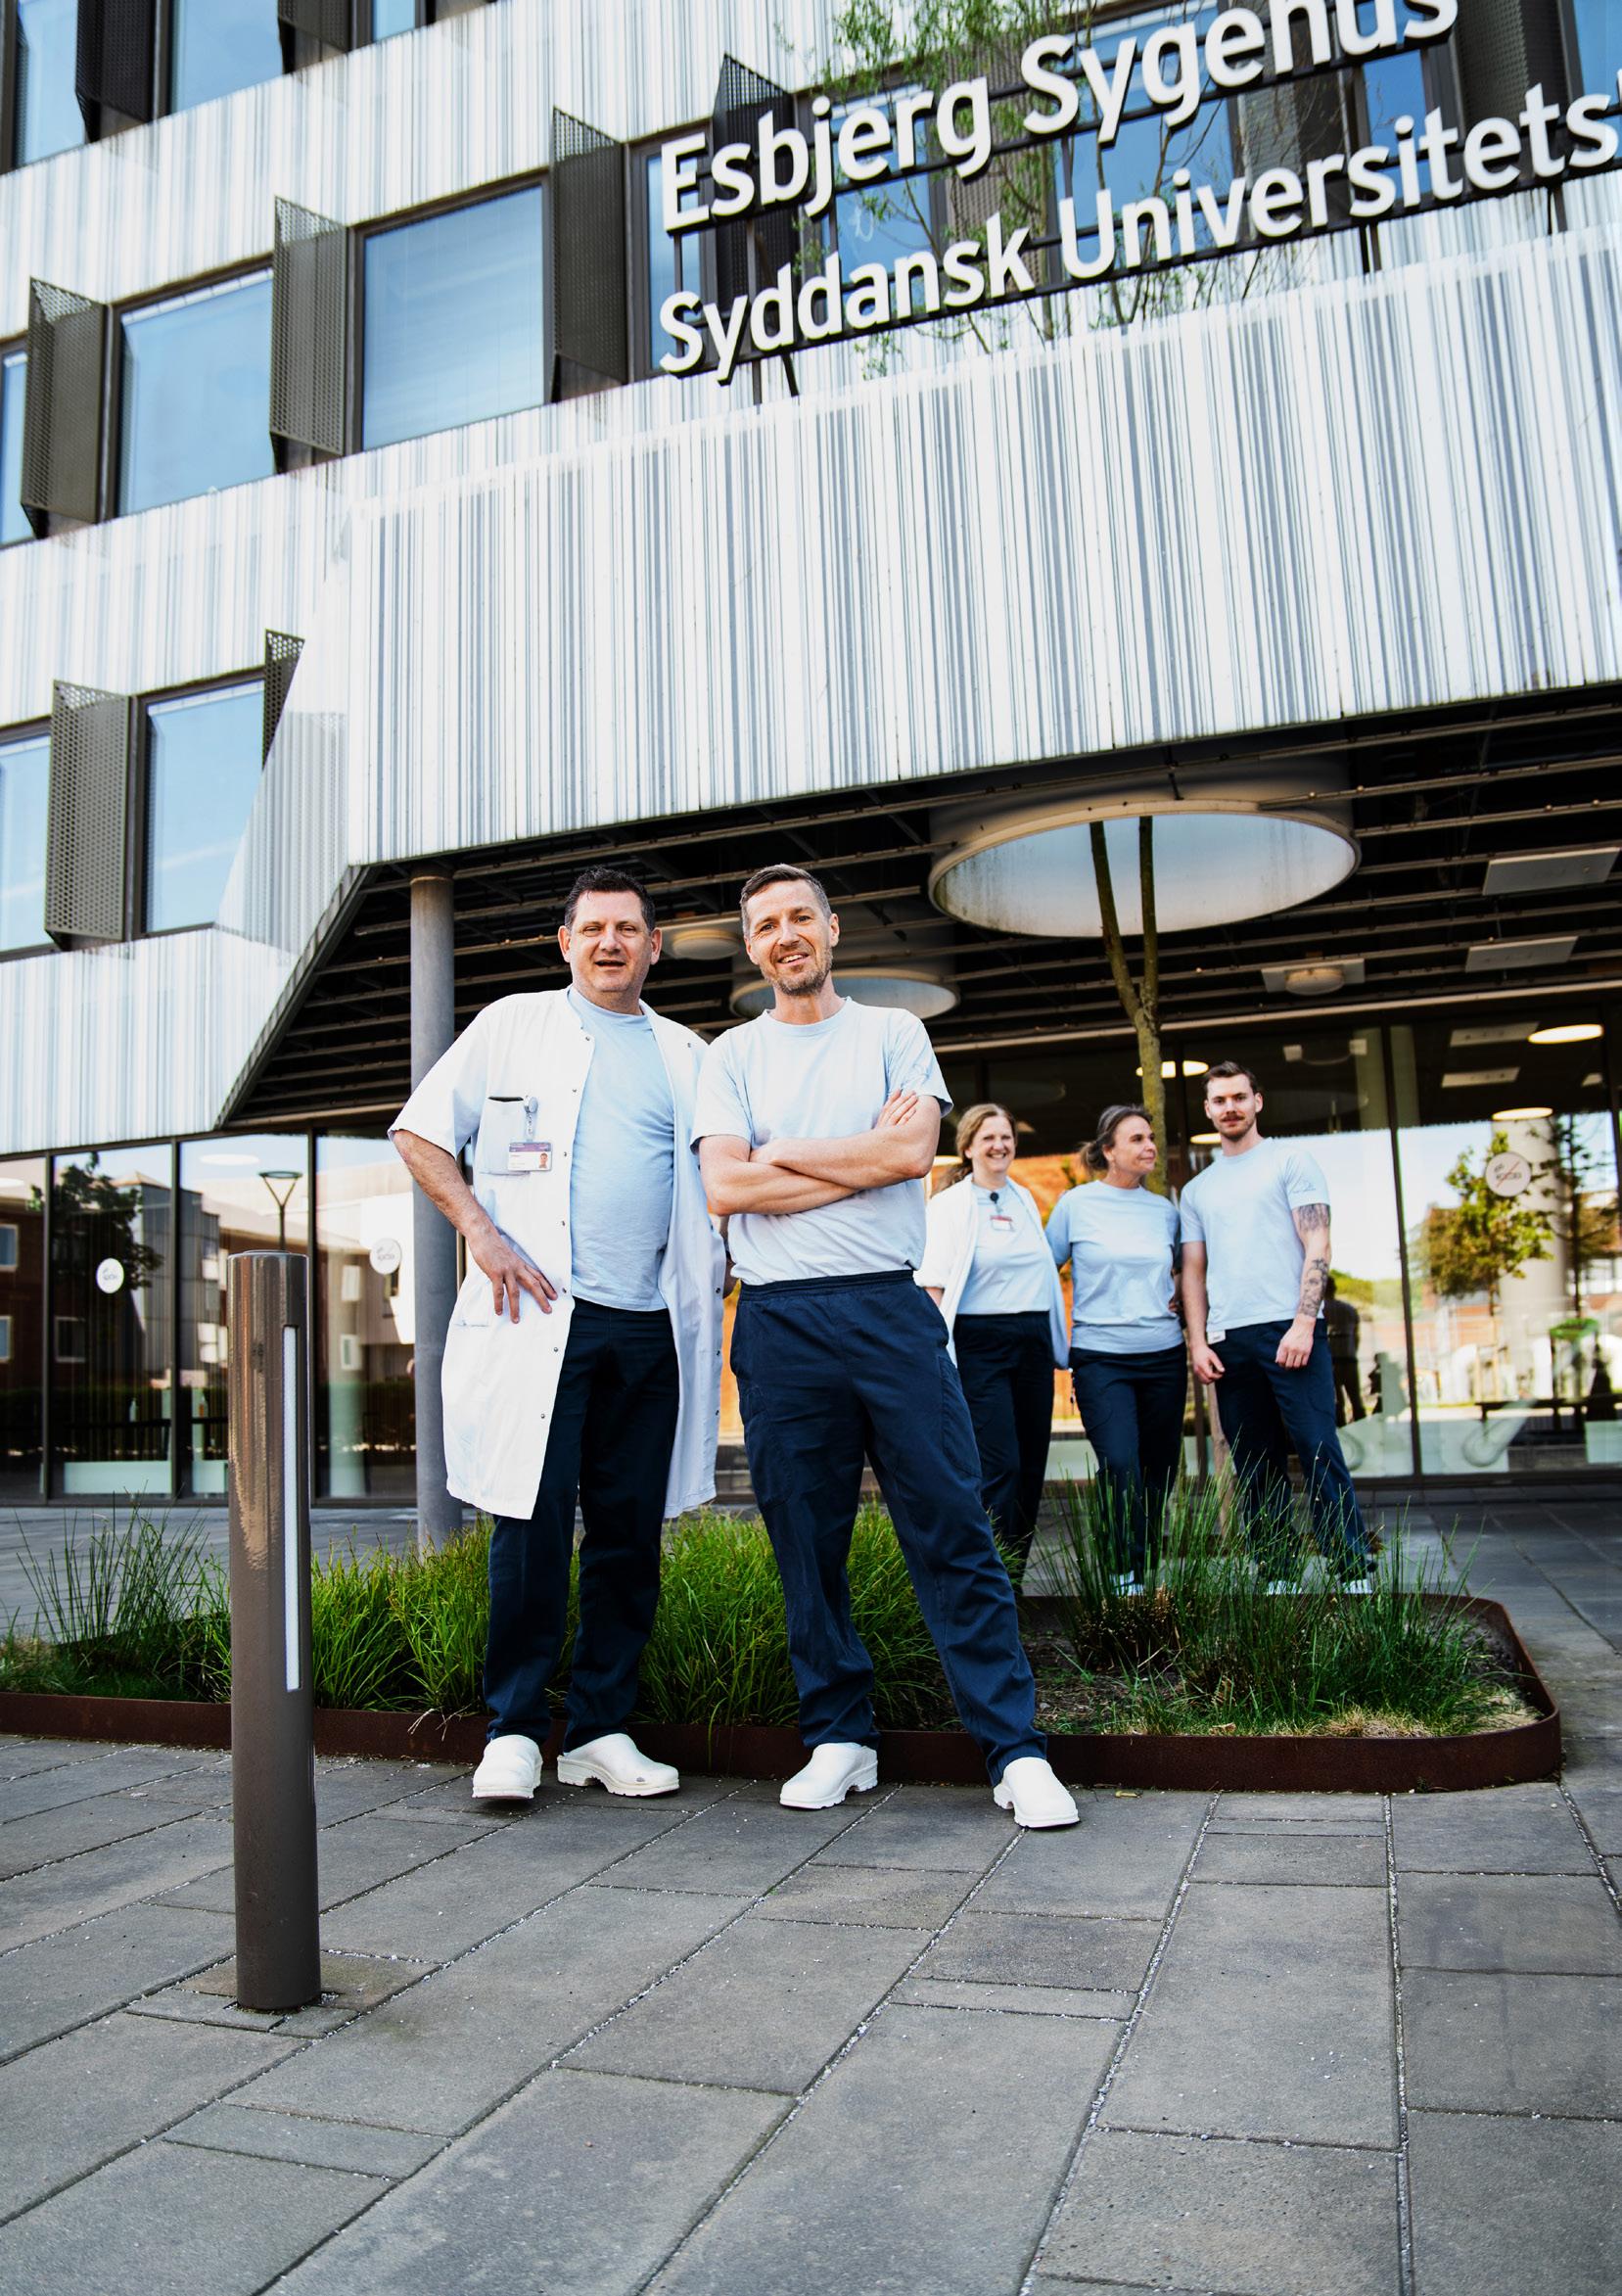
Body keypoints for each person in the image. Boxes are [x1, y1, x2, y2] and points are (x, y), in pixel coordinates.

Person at [693, 865, 1077, 1829]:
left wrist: (779, 1150)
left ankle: (1014, 1748)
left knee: (953, 1527)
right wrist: (847, 1158)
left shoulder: (893, 1034)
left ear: (831, 929)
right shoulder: (730, 1056)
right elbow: (725, 1187)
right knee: (805, 1542)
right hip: (778, 1319)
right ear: (751, 946)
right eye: (765, 924)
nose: (786, 934)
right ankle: (839, 1737)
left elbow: (907, 1155)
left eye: (801, 917)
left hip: (888, 1310)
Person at [392, 867, 725, 1804]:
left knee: (627, 1536)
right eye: (593, 929)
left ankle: (600, 1730)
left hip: (649, 1326)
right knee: (529, 1527)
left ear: (654, 946)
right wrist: (480, 1230)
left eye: (628, 928)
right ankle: (512, 1732)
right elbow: (420, 1133)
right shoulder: (512, 1025)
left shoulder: (688, 1053)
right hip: (540, 1317)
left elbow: (728, 1173)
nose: (610, 942)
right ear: (566, 942)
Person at [1178, 1061, 1372, 1591]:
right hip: (1229, 1340)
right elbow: (1192, 1269)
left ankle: (1352, 1569)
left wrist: (1304, 1322)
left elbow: (1318, 1241)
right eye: (1220, 1101)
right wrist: (1198, 1341)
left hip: (1291, 1331)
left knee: (1318, 1448)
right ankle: (1277, 1572)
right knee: (1254, 1462)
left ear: (1257, 1101)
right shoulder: (1197, 1190)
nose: (1231, 1108)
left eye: (1239, 1097)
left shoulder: (1291, 1161)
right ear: (1208, 1110)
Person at [917, 1103, 1068, 1584]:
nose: (999, 1146)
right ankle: (991, 1581)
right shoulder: (949, 1205)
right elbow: (934, 1284)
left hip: (1032, 1341)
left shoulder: (1023, 1197)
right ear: (967, 1148)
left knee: (1032, 1462)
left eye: (1006, 1137)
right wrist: (936, 1354)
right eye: (988, 1138)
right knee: (1001, 1465)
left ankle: (1013, 1576)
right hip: (980, 1343)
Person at [1046, 1105, 1185, 1593]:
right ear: (1108, 1150)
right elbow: (1042, 1272)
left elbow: (1181, 1274)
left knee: (1159, 1469)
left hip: (1164, 1356)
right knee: (1121, 1462)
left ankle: (1142, 1569)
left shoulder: (1165, 1212)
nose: (1150, 1146)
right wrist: (1055, 1343)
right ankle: (1122, 1571)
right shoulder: (1075, 1205)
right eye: (1137, 1139)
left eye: (1151, 1137)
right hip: (1101, 1357)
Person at [1323, 1277, 1367, 1427]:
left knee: (1336, 1400)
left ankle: (1341, 1429)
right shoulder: (1349, 1309)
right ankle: (1363, 1427)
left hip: (1332, 1361)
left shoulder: (1321, 1309)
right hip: (1349, 1359)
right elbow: (1356, 1336)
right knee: (1355, 1399)